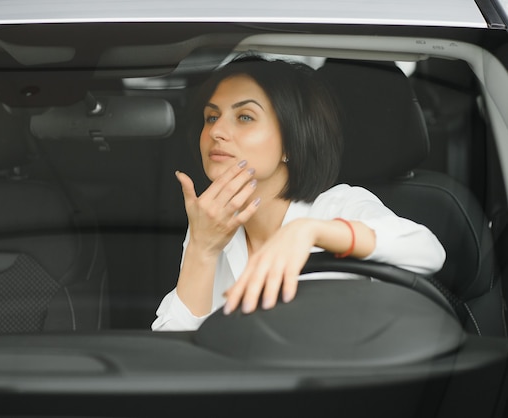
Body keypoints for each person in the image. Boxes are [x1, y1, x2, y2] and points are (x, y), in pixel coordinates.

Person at [151, 55, 446, 331]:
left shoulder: (339, 205)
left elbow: (427, 250)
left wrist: (311, 232)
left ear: (291, 143)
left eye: (244, 117)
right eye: (211, 117)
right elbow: (174, 356)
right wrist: (201, 250)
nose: (216, 132)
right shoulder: (210, 225)